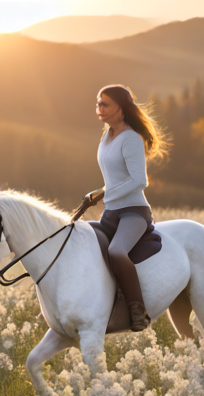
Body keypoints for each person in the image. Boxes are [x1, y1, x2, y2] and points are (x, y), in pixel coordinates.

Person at [76, 84, 170, 331]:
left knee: (117, 252)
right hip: (111, 213)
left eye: (105, 104)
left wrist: (104, 194)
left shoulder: (130, 138)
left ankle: (137, 310)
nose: (100, 108)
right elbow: (115, 179)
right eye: (98, 103)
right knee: (78, 236)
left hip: (133, 212)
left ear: (121, 108)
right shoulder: (106, 136)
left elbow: (140, 180)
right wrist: (99, 193)